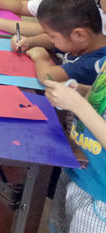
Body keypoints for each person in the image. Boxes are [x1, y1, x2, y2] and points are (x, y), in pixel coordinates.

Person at [45, 56, 106, 233]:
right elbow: (99, 92)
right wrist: (77, 91)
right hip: (78, 172)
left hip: (100, 196)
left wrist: (78, 105)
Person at [25, 0, 106, 85]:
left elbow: (47, 77)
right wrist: (29, 41)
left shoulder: (94, 62)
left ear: (79, 35)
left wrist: (41, 58)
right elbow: (52, 42)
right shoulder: (79, 42)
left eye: (52, 36)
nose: (50, 39)